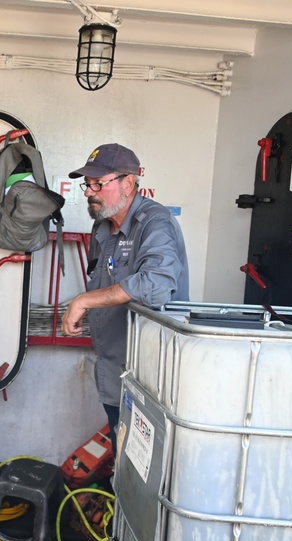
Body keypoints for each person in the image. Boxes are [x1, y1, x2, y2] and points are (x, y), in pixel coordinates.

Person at [62, 144, 189, 453]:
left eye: (98, 184)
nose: (89, 192)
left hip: (148, 375)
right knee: (124, 459)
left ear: (128, 183)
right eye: (87, 185)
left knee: (144, 465)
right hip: (113, 368)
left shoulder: (154, 223)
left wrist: (84, 300)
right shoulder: (102, 227)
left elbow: (157, 283)